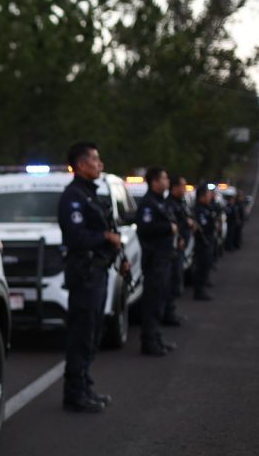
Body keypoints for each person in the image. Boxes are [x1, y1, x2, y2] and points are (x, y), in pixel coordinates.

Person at [57, 142, 122, 414]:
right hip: (84, 274)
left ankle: (84, 387)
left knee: (93, 333)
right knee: (82, 335)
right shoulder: (73, 197)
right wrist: (105, 237)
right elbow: (75, 237)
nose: (100, 164)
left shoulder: (90, 194)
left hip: (98, 271)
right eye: (95, 159)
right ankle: (75, 394)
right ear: (81, 165)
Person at [135, 167, 178, 356]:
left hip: (164, 258)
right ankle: (149, 342)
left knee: (159, 301)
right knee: (152, 302)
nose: (167, 181)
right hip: (154, 260)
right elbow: (145, 228)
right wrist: (169, 228)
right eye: (164, 178)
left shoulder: (160, 202)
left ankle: (156, 338)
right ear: (154, 182)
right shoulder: (148, 203)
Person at [163, 175, 192, 326]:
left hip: (179, 249)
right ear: (175, 188)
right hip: (171, 250)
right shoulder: (169, 204)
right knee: (171, 282)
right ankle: (167, 313)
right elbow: (172, 225)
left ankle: (171, 312)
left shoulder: (181, 203)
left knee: (175, 281)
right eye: (183, 186)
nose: (185, 189)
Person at [193, 185, 216, 301]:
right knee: (201, 266)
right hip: (202, 242)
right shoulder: (199, 210)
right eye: (207, 194)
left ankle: (202, 287)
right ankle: (199, 291)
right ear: (201, 196)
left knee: (206, 265)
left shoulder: (207, 207)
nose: (210, 197)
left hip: (208, 241)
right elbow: (204, 226)